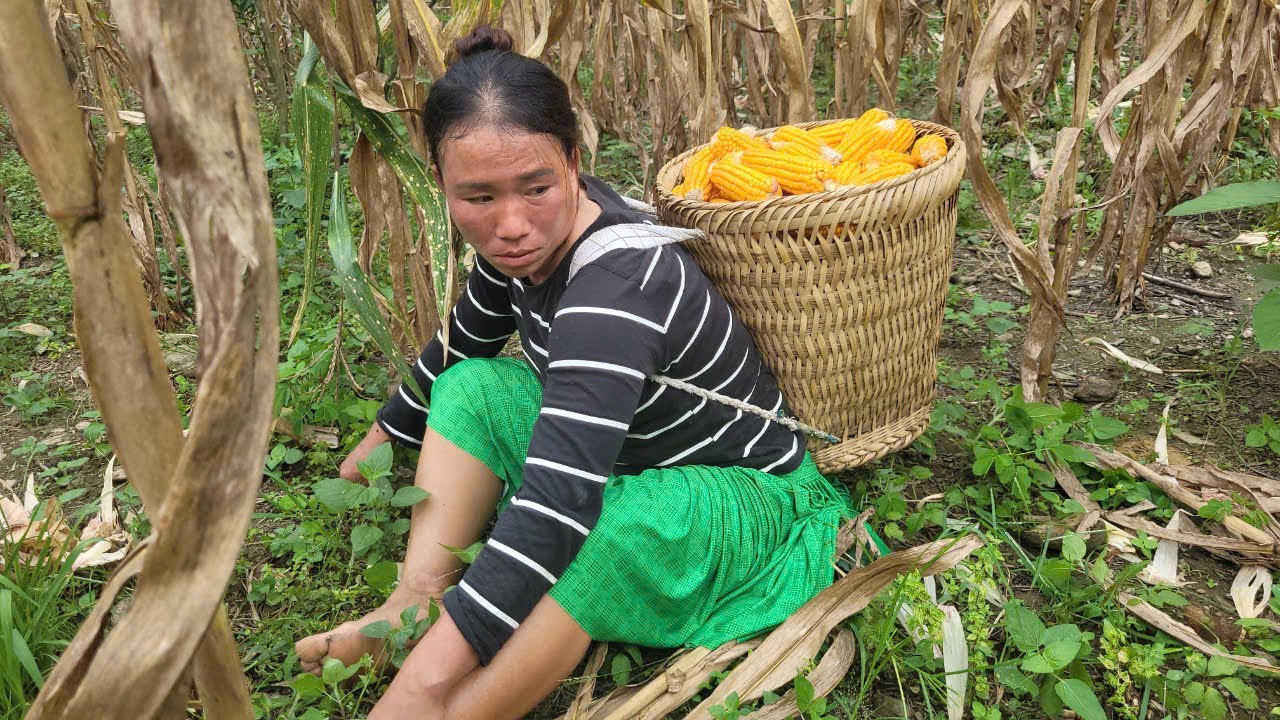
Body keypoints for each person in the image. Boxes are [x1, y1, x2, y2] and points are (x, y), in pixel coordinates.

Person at [293, 24, 851, 720]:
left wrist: (423, 684)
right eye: (479, 198)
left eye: (535, 188)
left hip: (744, 494)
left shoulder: (614, 290)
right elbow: (466, 336)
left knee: (601, 533)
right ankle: (413, 601)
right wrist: (380, 438)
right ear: (441, 182)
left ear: (573, 162)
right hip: (627, 456)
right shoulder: (529, 242)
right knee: (469, 389)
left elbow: (558, 505)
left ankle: (443, 707)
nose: (511, 224)